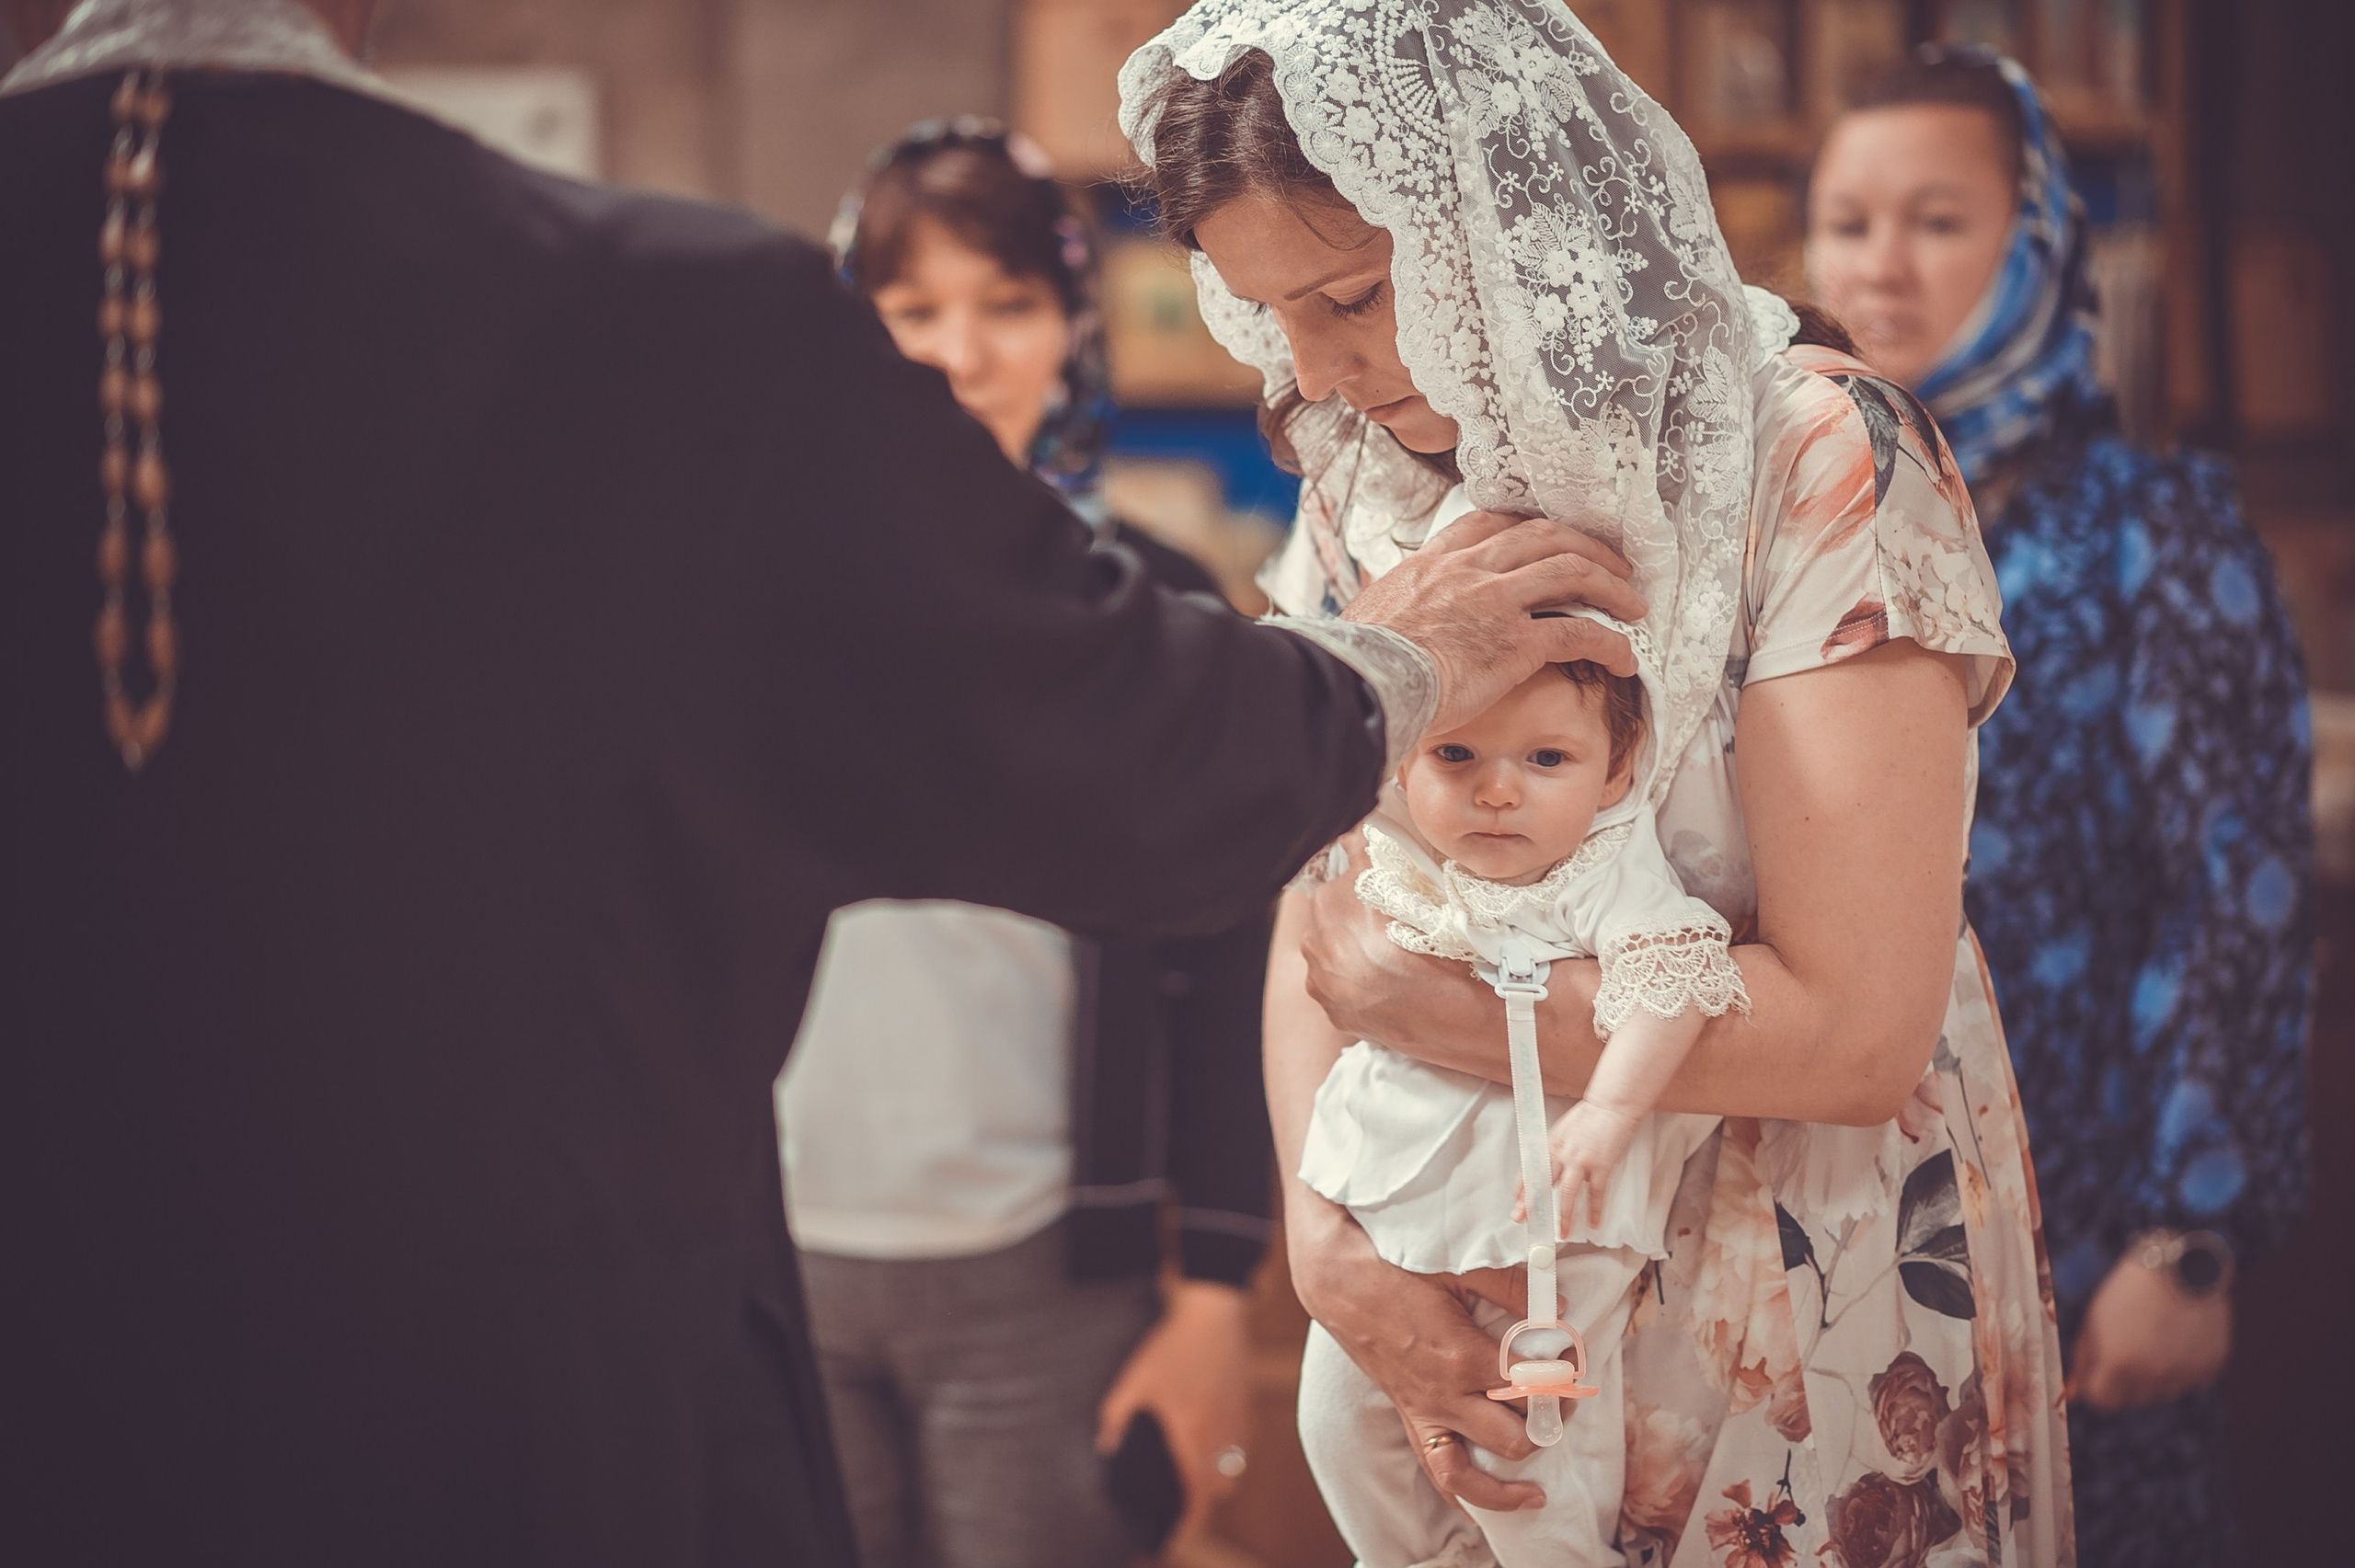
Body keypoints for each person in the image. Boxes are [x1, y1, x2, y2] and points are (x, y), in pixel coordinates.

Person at [0, 2, 1639, 1562]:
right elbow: (1124, 751)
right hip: (516, 1406)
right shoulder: (658, 322)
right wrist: (1396, 657)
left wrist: (1212, 1276)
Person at [1120, 5, 2071, 1565]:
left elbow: (1853, 1033)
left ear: (1512, 219)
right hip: (1467, 1281)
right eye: (1269, 311)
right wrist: (1331, 1249)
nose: (1318, 369)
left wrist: (1430, 1014)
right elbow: (1327, 900)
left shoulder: (1812, 455)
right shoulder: (1369, 483)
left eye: (1352, 295)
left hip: (1783, 1295)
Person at [1808, 47, 2313, 1568]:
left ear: (2035, 243)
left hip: (2082, 1208)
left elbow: (2241, 896)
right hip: (1849, 1220)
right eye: (1845, 221)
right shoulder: (1811, 525)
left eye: (1936, 219)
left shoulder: (2152, 531)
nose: (1879, 264)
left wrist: (2188, 1240)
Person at [775, 121, 1266, 1568]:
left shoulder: (1152, 606)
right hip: (777, 1254)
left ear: (1073, 327)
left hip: (1054, 1274)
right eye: (910, 311)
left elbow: (1226, 951)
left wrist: (1218, 1293)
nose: (960, 354)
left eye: (1005, 305)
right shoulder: (757, 588)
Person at [1296, 647, 1747, 1566]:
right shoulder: (1399, 851)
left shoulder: (1601, 869)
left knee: (1527, 1455)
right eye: (1456, 756)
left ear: (1616, 770)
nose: (1497, 793)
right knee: (1334, 1424)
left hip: (1546, 1215)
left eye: (1545, 760)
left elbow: (1675, 980)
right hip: (1392, 1194)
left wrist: (1610, 1109)